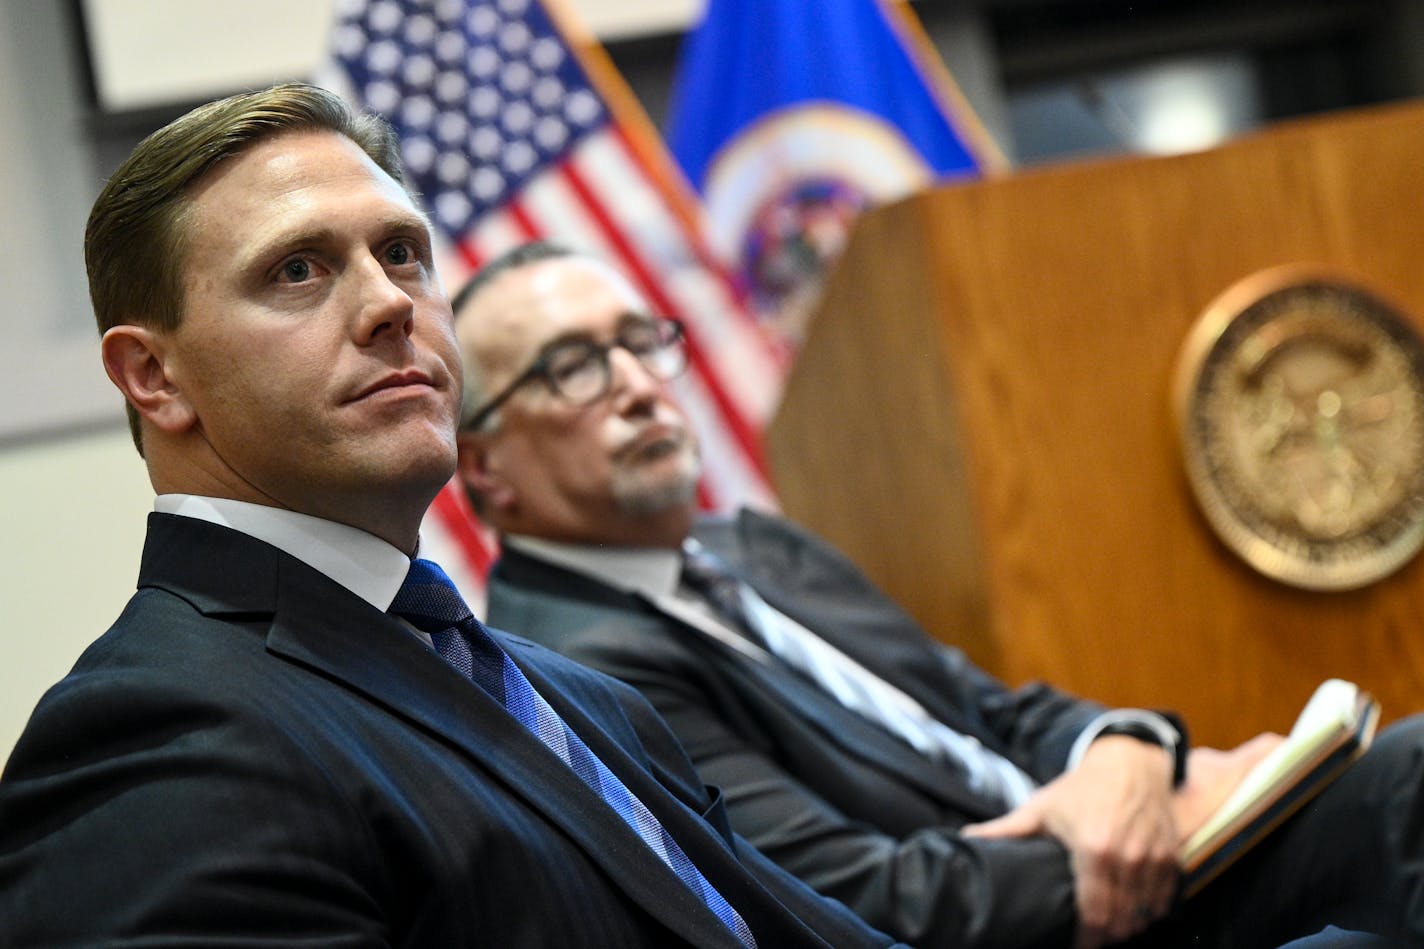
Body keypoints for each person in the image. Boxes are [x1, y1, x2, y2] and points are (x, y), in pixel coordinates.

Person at [0, 84, 906, 949]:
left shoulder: (570, 691)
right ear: (153, 377)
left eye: (400, 252)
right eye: (298, 269)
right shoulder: (159, 733)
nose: (393, 302)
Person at [452, 240, 1424, 949]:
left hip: (1126, 865)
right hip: (1061, 920)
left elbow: (996, 710)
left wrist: (1123, 751)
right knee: (1406, 781)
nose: (636, 385)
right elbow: (856, 901)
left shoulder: (749, 545)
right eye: (572, 366)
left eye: (638, 341)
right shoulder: (570, 669)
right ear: (484, 466)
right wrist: (1154, 828)